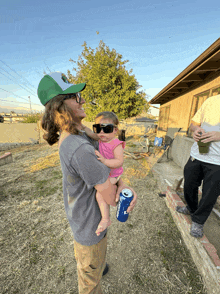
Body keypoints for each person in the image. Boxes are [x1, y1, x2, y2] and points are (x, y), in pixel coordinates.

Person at [37, 72, 137, 294]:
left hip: (83, 217)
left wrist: (122, 183)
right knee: (89, 283)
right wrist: (124, 188)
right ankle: (95, 268)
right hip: (91, 225)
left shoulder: (79, 132)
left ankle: (97, 265)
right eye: (75, 96)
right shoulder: (80, 148)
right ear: (60, 107)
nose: (83, 100)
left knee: (94, 263)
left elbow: (106, 169)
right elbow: (110, 198)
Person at [176, 94, 220, 238]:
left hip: (218, 161)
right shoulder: (211, 101)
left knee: (209, 194)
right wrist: (195, 130)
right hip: (197, 154)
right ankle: (191, 208)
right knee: (189, 183)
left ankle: (198, 221)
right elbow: (194, 123)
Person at [82, 111, 126, 236]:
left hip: (113, 174)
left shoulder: (115, 144)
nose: (101, 132)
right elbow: (90, 134)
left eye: (106, 129)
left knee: (100, 195)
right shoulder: (101, 137)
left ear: (115, 130)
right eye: (97, 128)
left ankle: (106, 219)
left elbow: (119, 162)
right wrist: (83, 127)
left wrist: (105, 161)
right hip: (106, 171)